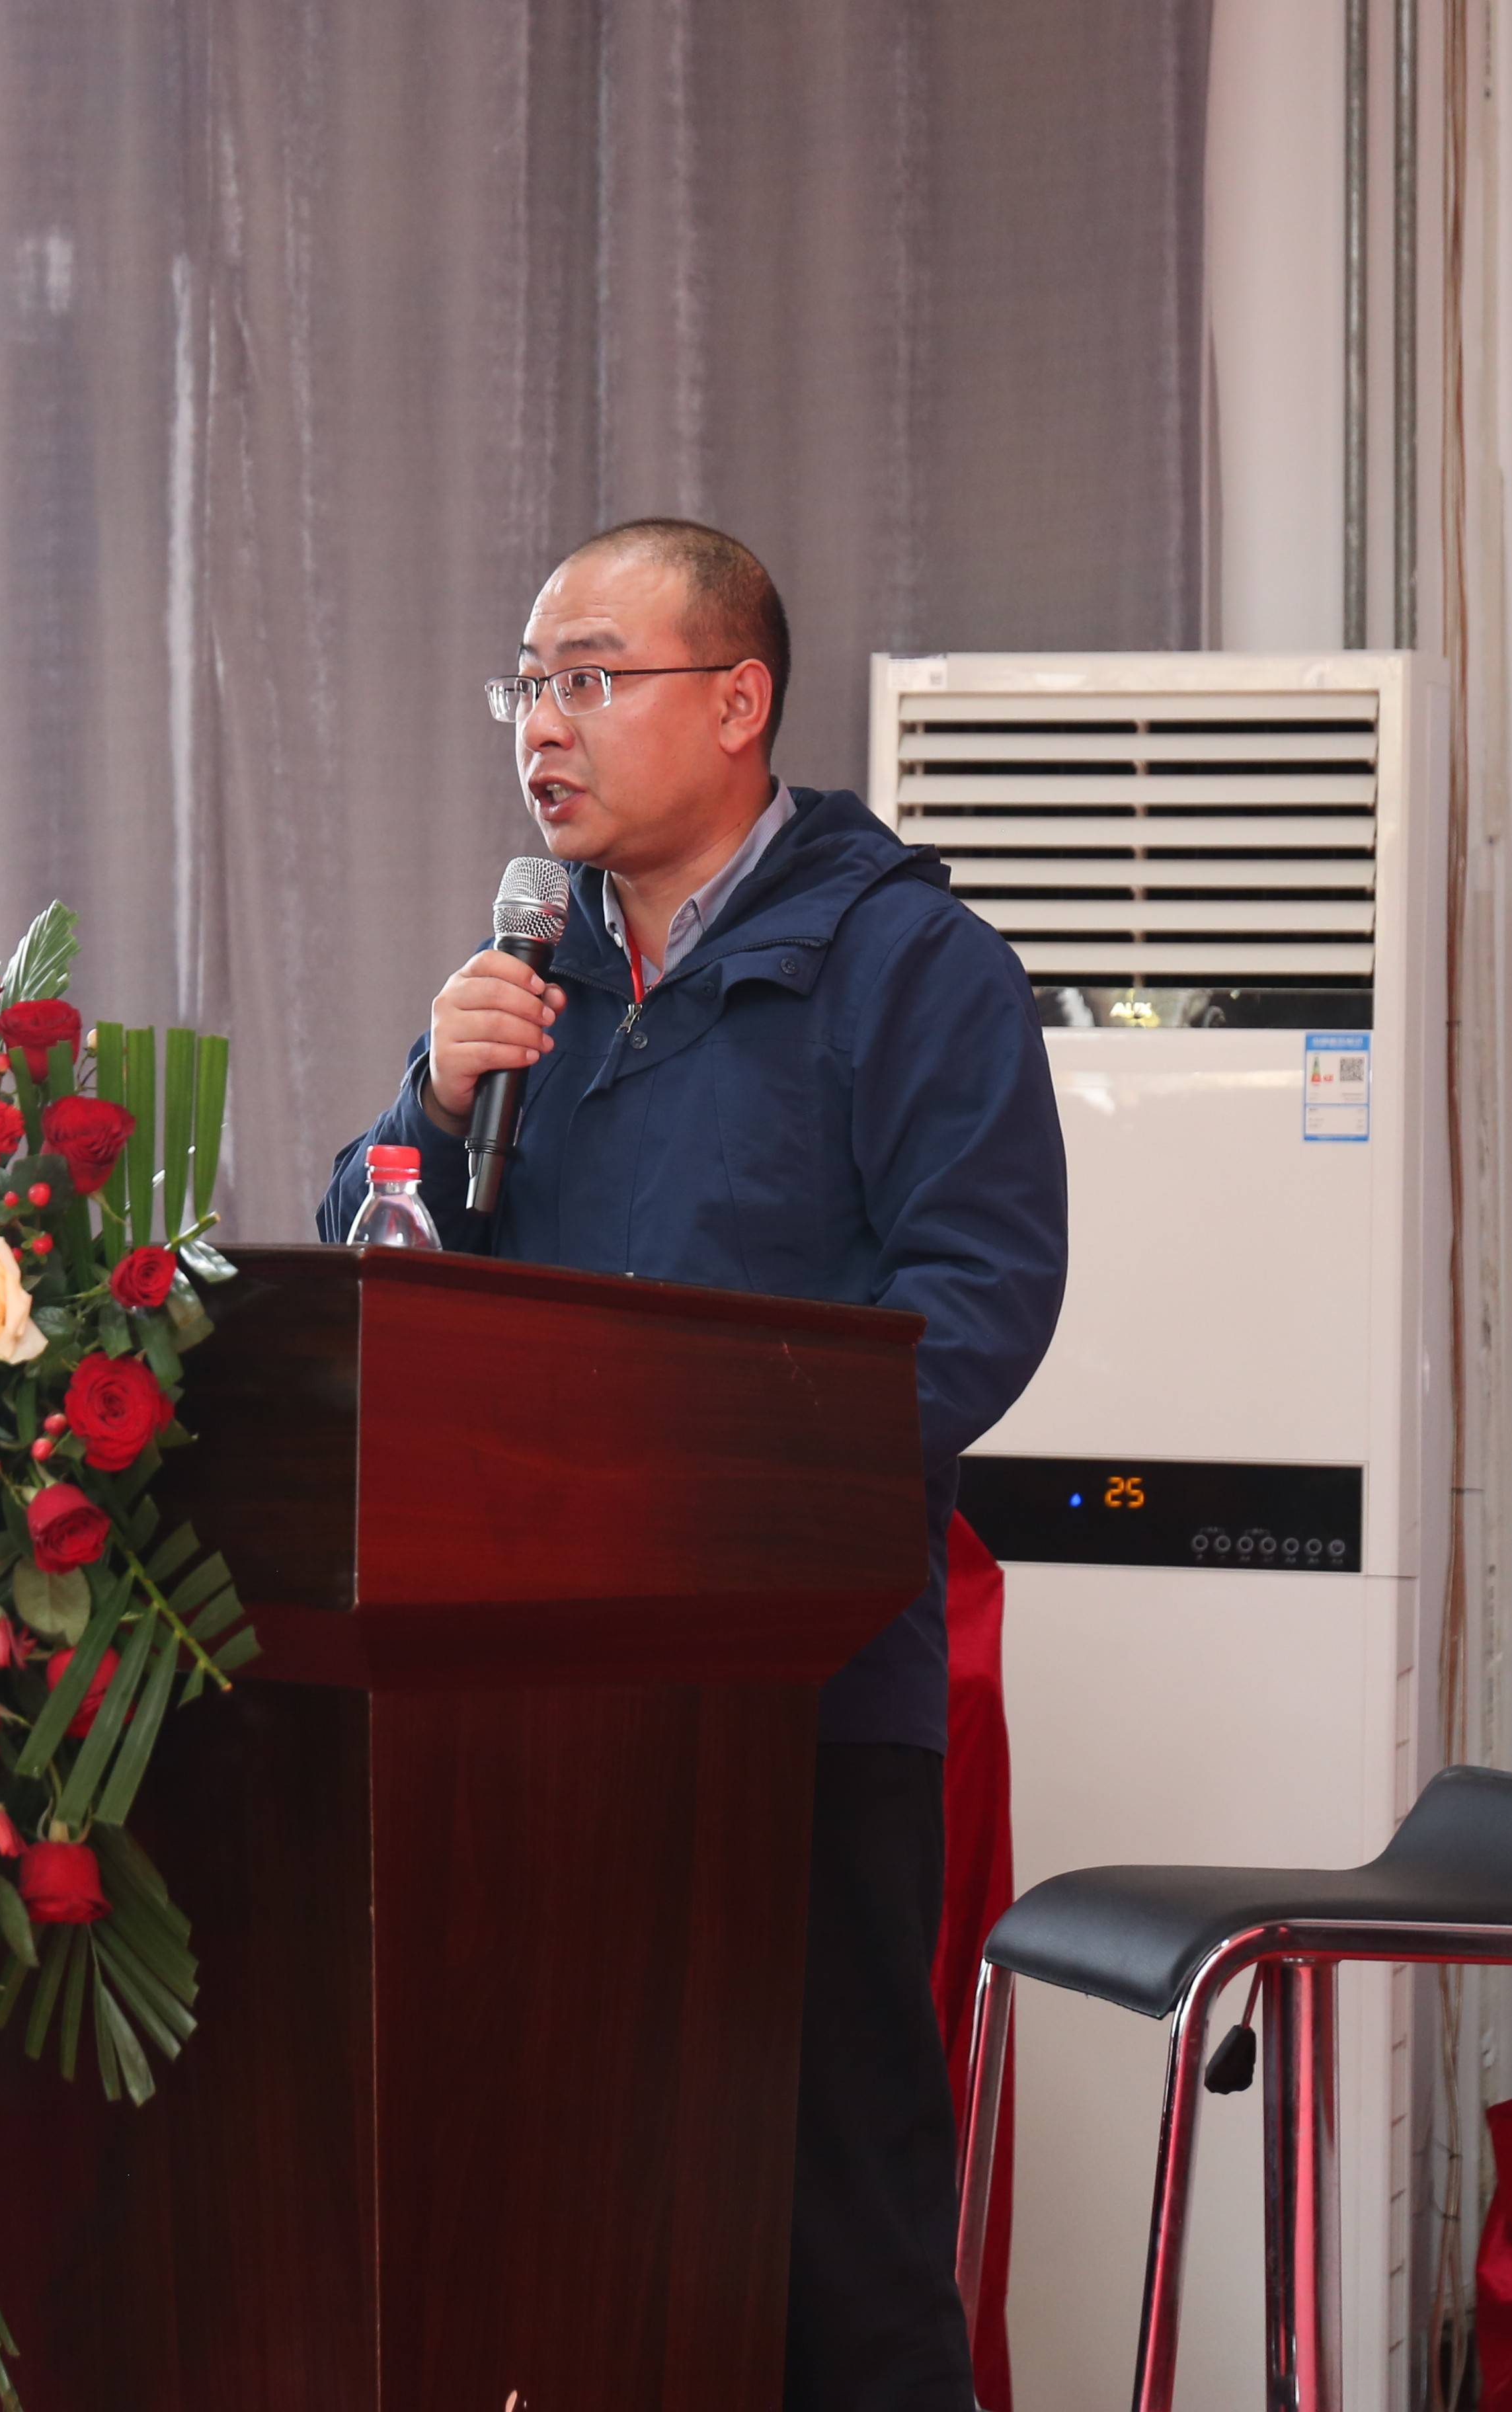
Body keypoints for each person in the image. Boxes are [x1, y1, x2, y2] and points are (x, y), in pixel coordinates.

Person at [319, 520, 1066, 2410]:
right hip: (535, 1706)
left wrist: (723, 1496)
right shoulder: (529, 977)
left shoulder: (906, 962)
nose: (541, 727)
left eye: (590, 678)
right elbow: (380, 1282)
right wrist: (431, 1101)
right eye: (527, 685)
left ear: (738, 704)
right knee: (583, 2213)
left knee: (827, 2220)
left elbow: (982, 1295)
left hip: (802, 1696)